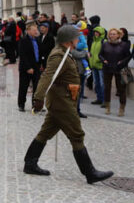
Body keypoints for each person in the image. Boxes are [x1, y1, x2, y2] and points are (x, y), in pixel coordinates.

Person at [24, 25, 114, 184]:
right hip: (62, 103)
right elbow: (47, 76)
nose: (79, 40)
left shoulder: (65, 53)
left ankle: (30, 163)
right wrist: (38, 99)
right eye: (76, 37)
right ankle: (90, 173)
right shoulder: (59, 55)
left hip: (62, 101)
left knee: (45, 133)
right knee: (77, 135)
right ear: (69, 40)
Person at [98, 28, 131, 116]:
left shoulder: (124, 45)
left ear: (118, 35)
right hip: (107, 68)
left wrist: (122, 62)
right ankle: (107, 107)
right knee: (107, 88)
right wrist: (103, 60)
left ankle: (121, 108)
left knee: (121, 89)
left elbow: (128, 56)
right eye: (110, 34)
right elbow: (100, 54)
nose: (112, 35)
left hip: (120, 69)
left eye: (114, 34)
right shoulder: (105, 44)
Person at [18, 24, 41, 112]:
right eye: (34, 30)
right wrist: (28, 68)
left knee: (36, 87)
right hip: (26, 67)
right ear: (28, 31)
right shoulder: (23, 40)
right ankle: (21, 104)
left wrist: (41, 64)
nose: (36, 31)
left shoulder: (38, 40)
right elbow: (22, 55)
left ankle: (34, 105)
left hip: (36, 66)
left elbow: (40, 52)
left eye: (36, 30)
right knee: (23, 87)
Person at [88, 26, 107, 106]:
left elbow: (106, 53)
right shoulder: (94, 41)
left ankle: (104, 101)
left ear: (101, 33)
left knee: (103, 83)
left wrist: (100, 60)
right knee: (96, 83)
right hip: (94, 65)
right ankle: (99, 99)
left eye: (97, 32)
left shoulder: (104, 41)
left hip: (100, 65)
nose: (95, 33)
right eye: (95, 32)